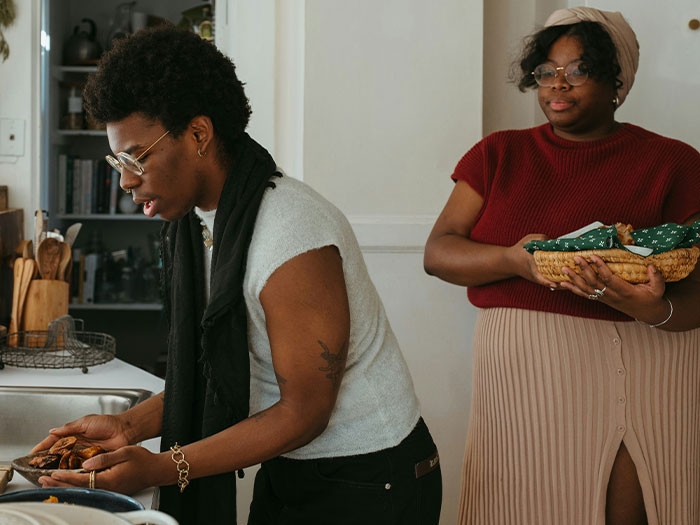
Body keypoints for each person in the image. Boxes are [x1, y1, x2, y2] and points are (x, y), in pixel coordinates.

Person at [33, 26, 442, 525]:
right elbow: (224, 371)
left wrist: (163, 467)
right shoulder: (204, 221)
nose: (125, 180)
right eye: (117, 159)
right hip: (294, 467)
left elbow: (304, 412)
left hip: (371, 480)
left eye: (136, 156)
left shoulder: (291, 233)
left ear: (199, 135)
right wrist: (126, 426)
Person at [424, 7, 700, 525]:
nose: (558, 84)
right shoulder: (499, 154)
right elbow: (439, 254)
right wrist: (515, 262)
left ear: (617, 81)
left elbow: (697, 299)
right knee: (520, 506)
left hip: (643, 360)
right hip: (523, 376)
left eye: (579, 70)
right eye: (547, 70)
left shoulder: (674, 163)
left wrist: (652, 308)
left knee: (632, 509)